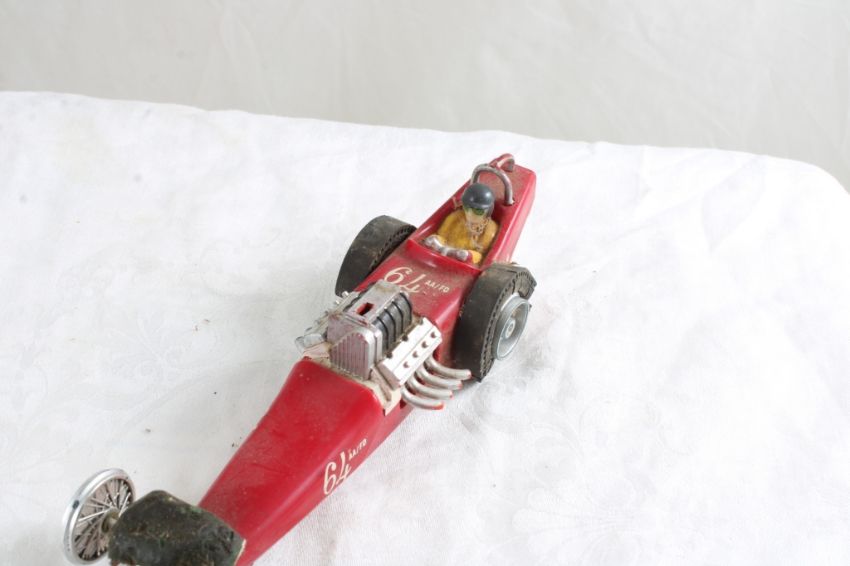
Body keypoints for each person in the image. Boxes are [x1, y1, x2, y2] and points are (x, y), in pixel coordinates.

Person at [431, 182, 499, 264]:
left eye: (478, 211)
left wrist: (468, 255)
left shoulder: (489, 229)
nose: (470, 213)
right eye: (467, 208)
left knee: (468, 255)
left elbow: (481, 254)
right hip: (443, 252)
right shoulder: (456, 217)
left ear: (487, 213)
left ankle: (462, 254)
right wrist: (436, 239)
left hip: (465, 261)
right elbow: (442, 235)